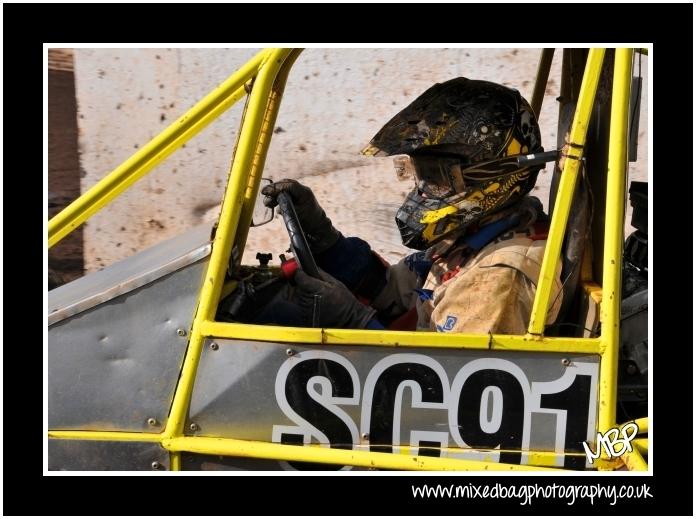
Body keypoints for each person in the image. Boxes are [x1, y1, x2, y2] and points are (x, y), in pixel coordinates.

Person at [254, 77, 563, 334]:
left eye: (436, 176)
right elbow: (389, 290)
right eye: (420, 173)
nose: (425, 191)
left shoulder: (496, 279)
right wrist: (321, 235)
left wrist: (351, 321)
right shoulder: (478, 236)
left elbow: (444, 391)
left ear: (492, 175)